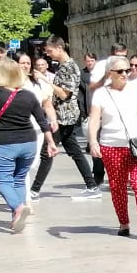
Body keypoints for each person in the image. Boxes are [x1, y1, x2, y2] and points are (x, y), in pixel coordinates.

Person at [87, 56, 137, 239]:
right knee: (117, 186)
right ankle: (124, 223)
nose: (125, 74)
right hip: (112, 145)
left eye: (128, 70)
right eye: (120, 71)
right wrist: (93, 141)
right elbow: (94, 119)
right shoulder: (101, 94)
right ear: (110, 73)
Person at [0, 59, 56, 233]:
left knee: (2, 180)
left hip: (5, 143)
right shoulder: (28, 95)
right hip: (29, 143)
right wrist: (51, 141)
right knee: (19, 178)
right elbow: (41, 120)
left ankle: (18, 207)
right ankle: (16, 217)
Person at [37, 36, 99, 199]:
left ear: (59, 48)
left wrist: (45, 80)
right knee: (74, 151)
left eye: (50, 51)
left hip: (64, 117)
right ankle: (92, 185)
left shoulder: (70, 67)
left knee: (48, 151)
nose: (48, 54)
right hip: (62, 115)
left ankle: (34, 190)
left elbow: (64, 94)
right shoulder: (63, 66)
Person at [18, 52, 59, 201]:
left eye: (28, 63)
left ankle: (22, 195)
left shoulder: (36, 83)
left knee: (32, 163)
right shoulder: (10, 82)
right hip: (18, 127)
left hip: (37, 128)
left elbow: (46, 104)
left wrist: (53, 119)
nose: (25, 65)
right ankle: (25, 200)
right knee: (24, 164)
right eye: (22, 62)